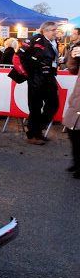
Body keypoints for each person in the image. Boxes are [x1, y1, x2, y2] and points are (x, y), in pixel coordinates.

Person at [16, 21, 60, 145]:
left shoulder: (54, 42)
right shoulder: (35, 40)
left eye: (55, 29)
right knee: (35, 106)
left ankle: (37, 129)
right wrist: (26, 72)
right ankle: (32, 134)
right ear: (45, 31)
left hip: (50, 77)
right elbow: (19, 56)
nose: (55, 32)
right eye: (53, 30)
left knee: (53, 104)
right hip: (36, 78)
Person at [62, 45, 80, 178]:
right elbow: (73, 70)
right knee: (73, 132)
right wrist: (73, 58)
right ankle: (76, 161)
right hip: (76, 101)